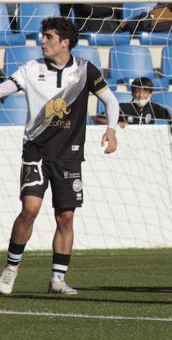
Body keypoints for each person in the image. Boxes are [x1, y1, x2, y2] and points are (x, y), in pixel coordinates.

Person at [0, 17, 119, 296]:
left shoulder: (85, 71)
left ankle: (57, 279)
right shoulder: (31, 69)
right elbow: (5, 88)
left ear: (65, 43)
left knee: (65, 217)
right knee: (30, 209)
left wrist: (111, 130)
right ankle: (10, 269)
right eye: (43, 36)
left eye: (49, 37)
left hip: (69, 156)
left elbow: (111, 101)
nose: (43, 41)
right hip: (36, 151)